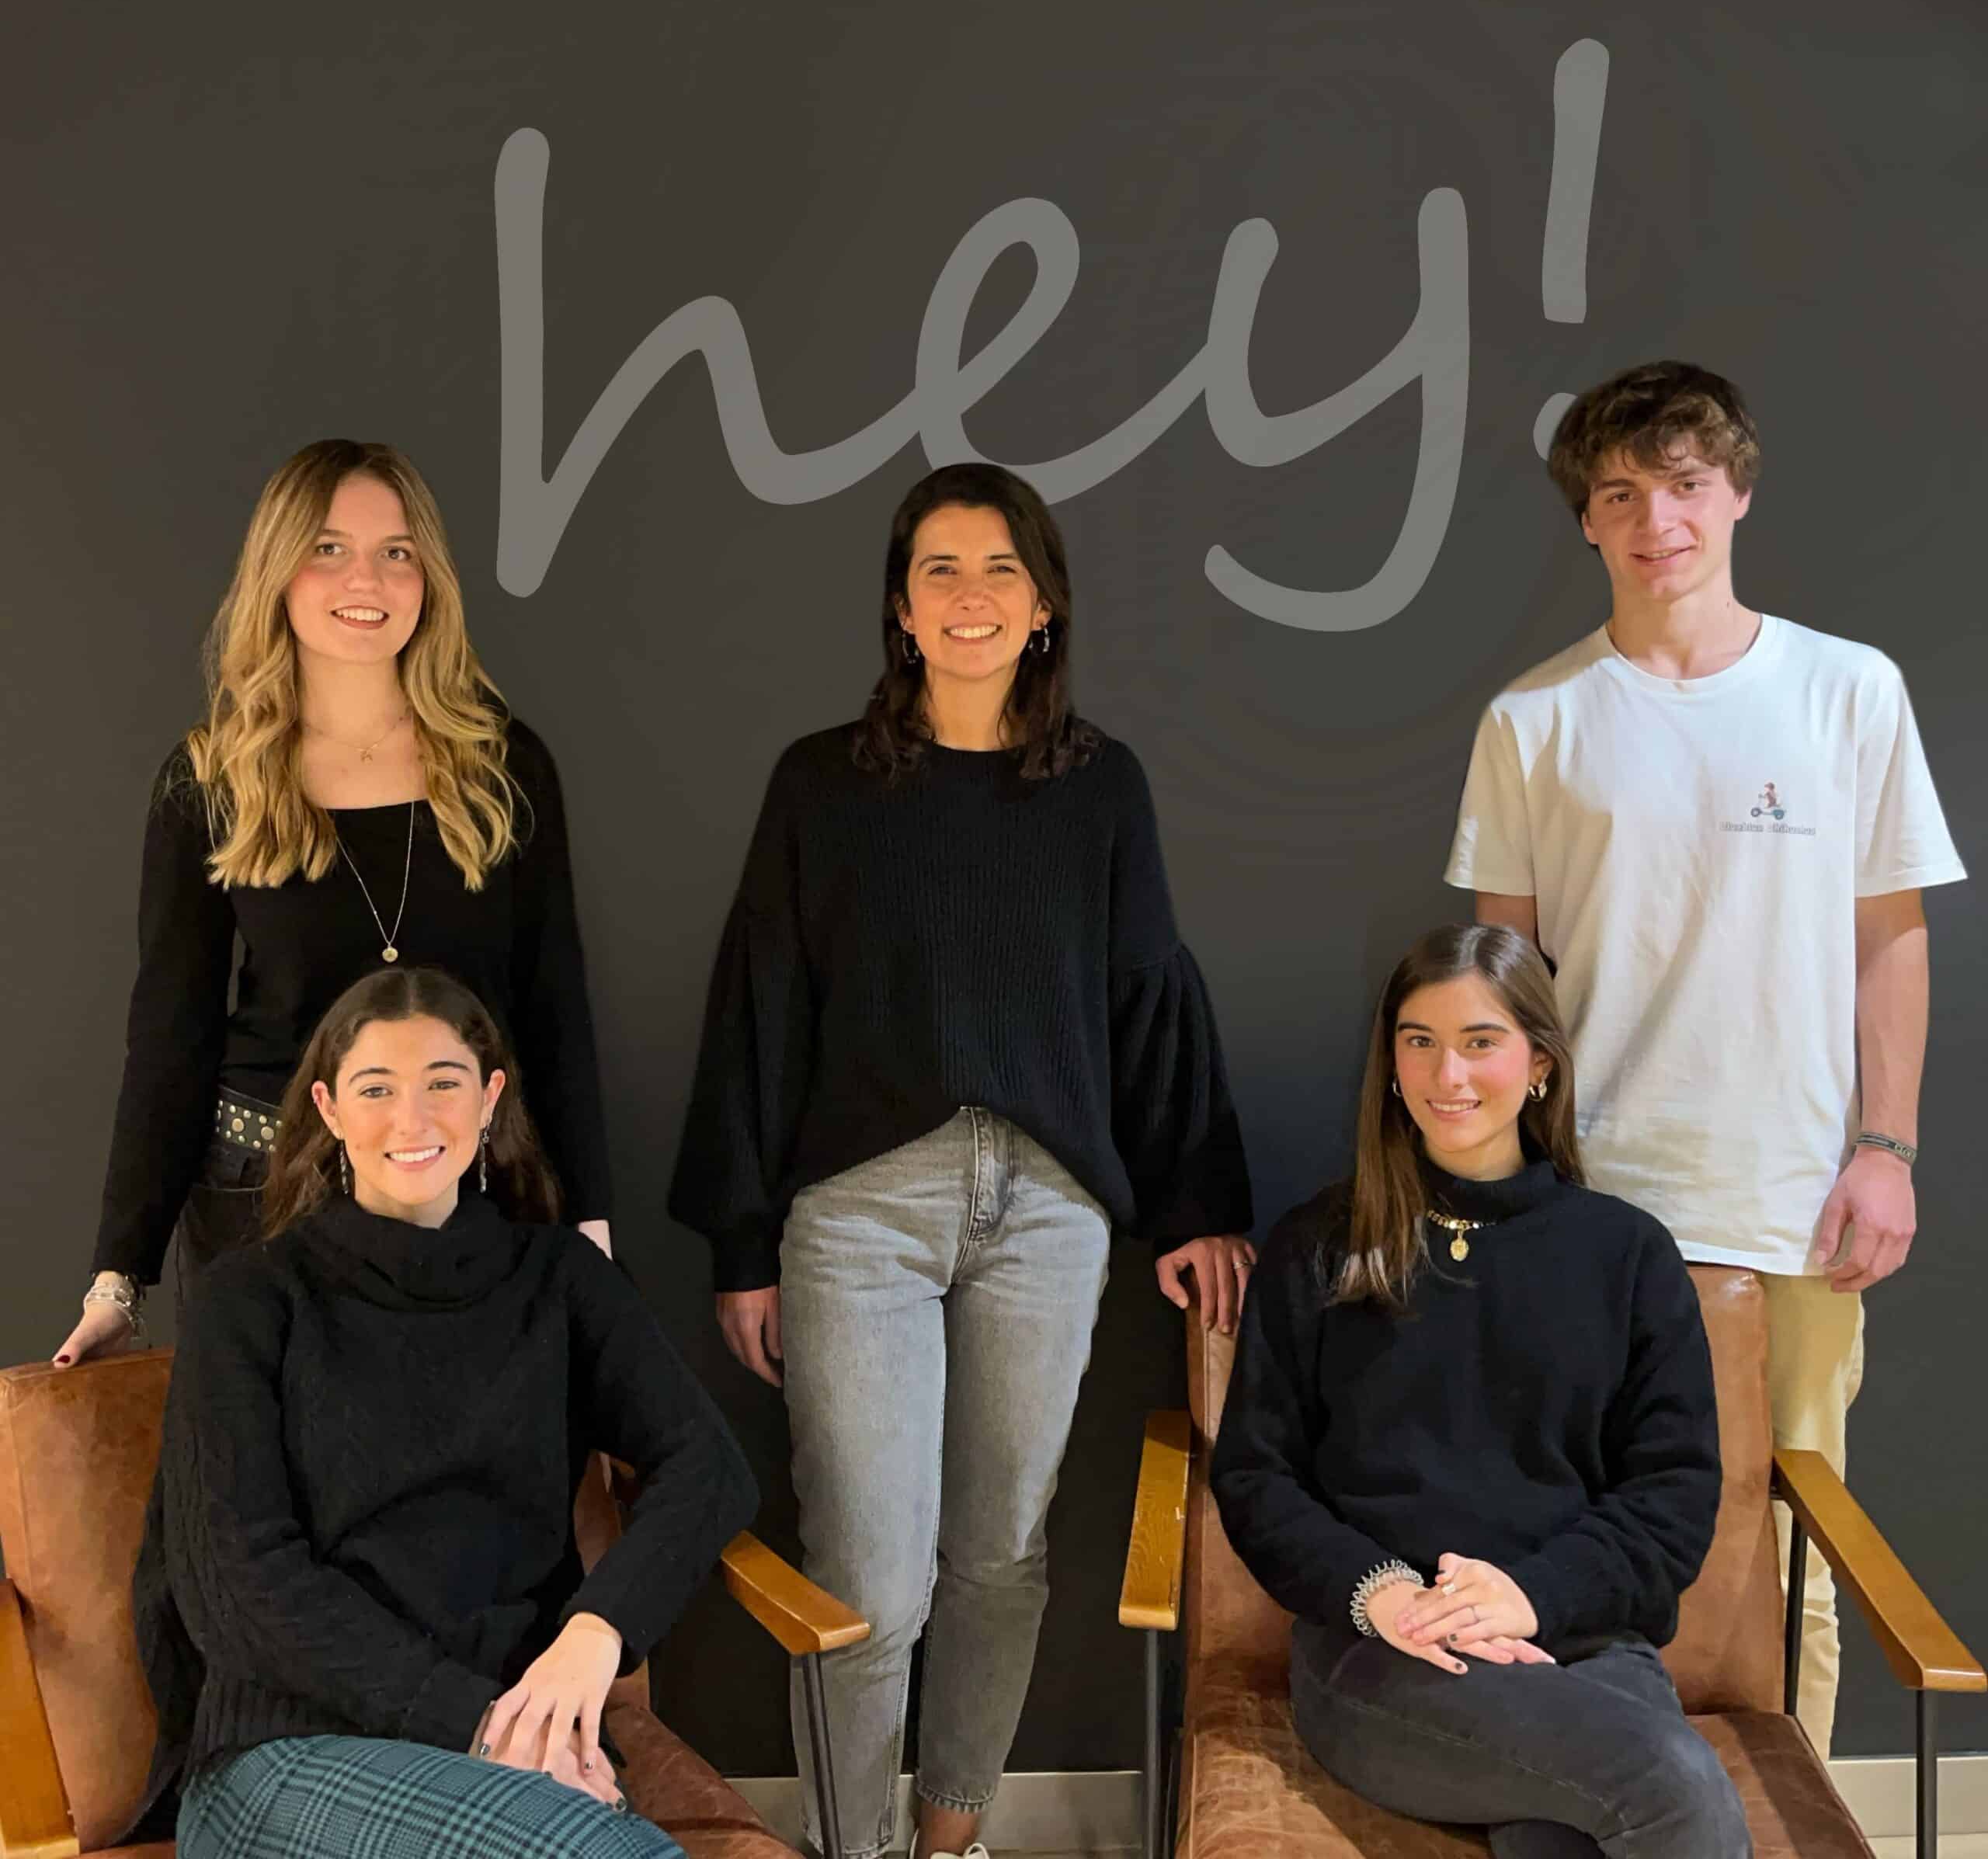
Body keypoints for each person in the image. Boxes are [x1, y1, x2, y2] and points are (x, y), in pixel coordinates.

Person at [668, 462, 1255, 1859]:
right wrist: (742, 1242)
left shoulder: (1101, 788)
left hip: (1048, 1215)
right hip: (862, 1215)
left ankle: (951, 1842)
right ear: (900, 605)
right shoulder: (822, 784)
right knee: (868, 1577)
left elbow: (1147, 998)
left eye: (1002, 569)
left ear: (1045, 606)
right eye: (940, 568)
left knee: (999, 1556)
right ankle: (855, 1852)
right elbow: (760, 1006)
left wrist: (1194, 1202)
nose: (971, 596)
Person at [1444, 360, 1965, 1753]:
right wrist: (1508, 1193)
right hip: (1589, 1202)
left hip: (1794, 1201)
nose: (1656, 521)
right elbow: (1503, 989)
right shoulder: (1533, 720)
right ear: (1587, 522)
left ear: (1736, 492)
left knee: (1794, 1550)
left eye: (1683, 484)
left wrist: (1888, 1149)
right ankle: (1606, 1808)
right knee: (1574, 1533)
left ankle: (1787, 1823)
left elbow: (1890, 939)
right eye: (1620, 494)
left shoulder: (1848, 691)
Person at [130, 965, 757, 1859]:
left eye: (443, 1083)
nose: (411, 1119)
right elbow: (238, 1585)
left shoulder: (562, 1280)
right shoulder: (251, 1300)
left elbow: (709, 1466)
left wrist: (595, 1633)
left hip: (515, 1745)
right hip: (285, 1758)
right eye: (375, 1088)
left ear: (490, 1098)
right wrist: (486, 1725)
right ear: (329, 1108)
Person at [58, 438, 617, 1368]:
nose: (367, 579)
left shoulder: (502, 766)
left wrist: (589, 1227)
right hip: (265, 1198)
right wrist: (119, 1277)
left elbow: (553, 1005)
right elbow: (170, 1034)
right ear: (277, 571)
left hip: (468, 1189)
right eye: (328, 548)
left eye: (397, 551)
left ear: (429, 578)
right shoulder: (212, 780)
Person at [1211, 923, 1747, 1857]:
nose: (1446, 1074)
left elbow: (1672, 1496)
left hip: (1583, 1640)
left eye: (1479, 1041)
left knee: (1567, 1837)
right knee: (1670, 1783)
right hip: (1385, 1651)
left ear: (1539, 1062)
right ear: (1389, 1063)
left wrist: (1530, 1594)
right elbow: (1256, 1476)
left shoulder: (1625, 1254)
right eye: (1418, 1041)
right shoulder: (1319, 1245)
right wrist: (1382, 1593)